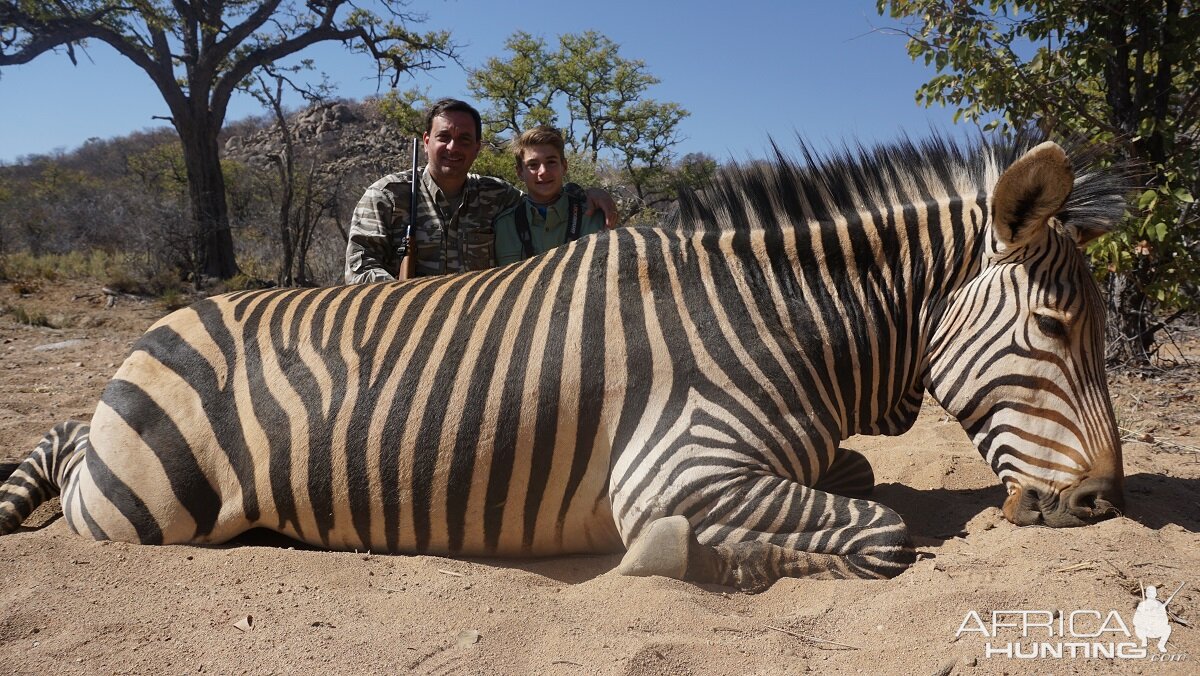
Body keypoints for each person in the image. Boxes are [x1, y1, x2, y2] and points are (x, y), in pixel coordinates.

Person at [344, 99, 615, 283]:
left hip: (478, 337)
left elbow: (543, 194)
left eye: (464, 139)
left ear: (477, 148)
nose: (453, 148)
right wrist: (408, 297)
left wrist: (586, 193)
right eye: (444, 137)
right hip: (404, 329)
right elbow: (359, 268)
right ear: (426, 142)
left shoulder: (496, 195)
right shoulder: (386, 195)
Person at [493, 126, 606, 265]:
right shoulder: (504, 225)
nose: (543, 171)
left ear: (564, 166)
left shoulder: (595, 217)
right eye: (533, 165)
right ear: (520, 172)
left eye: (551, 162)